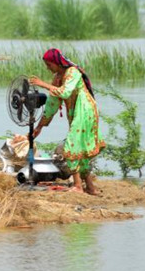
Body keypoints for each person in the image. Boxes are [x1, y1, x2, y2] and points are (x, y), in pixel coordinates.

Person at [29, 48, 105, 194]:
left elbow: (65, 92)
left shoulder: (73, 72)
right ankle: (90, 187)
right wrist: (39, 127)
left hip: (85, 111)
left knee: (72, 146)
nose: (48, 68)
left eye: (49, 65)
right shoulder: (57, 79)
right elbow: (52, 104)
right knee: (80, 148)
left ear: (57, 63)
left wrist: (42, 84)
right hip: (75, 113)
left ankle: (77, 186)